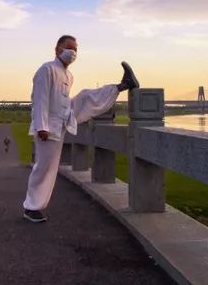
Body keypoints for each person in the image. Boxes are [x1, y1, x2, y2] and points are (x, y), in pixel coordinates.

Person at [22, 35, 139, 223]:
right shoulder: (47, 69)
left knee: (86, 96)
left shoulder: (69, 75)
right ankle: (31, 207)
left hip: (62, 120)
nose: (73, 52)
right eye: (69, 48)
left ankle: (123, 85)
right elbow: (40, 99)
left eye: (75, 49)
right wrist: (41, 127)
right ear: (57, 49)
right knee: (44, 168)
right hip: (47, 128)